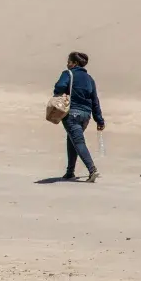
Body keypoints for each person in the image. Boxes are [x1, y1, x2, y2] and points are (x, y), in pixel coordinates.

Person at [54, 51, 104, 183]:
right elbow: (95, 100)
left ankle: (92, 170)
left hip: (72, 113)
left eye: (69, 61)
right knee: (72, 140)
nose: (67, 64)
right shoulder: (90, 79)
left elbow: (59, 87)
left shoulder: (68, 74)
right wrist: (99, 120)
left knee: (78, 142)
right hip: (86, 116)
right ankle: (70, 172)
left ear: (74, 63)